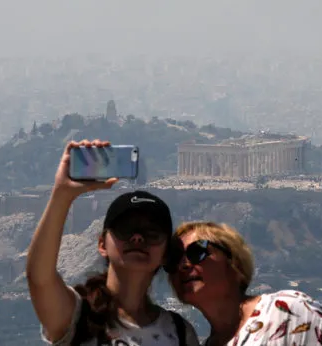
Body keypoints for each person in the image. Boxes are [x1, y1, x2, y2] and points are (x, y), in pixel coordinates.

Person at [26, 139, 199, 346]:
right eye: (126, 230)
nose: (138, 238)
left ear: (165, 254)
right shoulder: (78, 315)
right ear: (102, 244)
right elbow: (39, 278)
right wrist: (62, 194)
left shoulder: (179, 332)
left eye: (152, 233)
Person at [165, 221, 322, 346]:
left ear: (234, 263)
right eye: (173, 259)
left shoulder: (287, 309)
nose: (183, 265)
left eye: (197, 252)